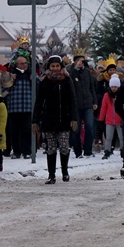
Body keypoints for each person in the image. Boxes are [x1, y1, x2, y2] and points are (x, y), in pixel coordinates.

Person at [32, 56, 79, 185]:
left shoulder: (67, 80)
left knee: (64, 147)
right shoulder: (44, 81)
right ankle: (51, 175)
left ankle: (65, 172)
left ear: (61, 67)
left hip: (64, 118)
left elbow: (72, 100)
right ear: (49, 67)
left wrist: (74, 118)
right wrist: (35, 120)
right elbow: (39, 102)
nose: (55, 69)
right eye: (53, 66)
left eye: (57, 66)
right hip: (49, 119)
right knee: (51, 148)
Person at [68, 49, 97, 158]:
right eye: (79, 61)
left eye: (83, 61)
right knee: (76, 129)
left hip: (88, 104)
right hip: (76, 106)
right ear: (75, 62)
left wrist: (94, 101)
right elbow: (69, 82)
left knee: (89, 126)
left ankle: (88, 150)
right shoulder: (71, 72)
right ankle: (78, 151)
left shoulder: (86, 72)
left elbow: (91, 87)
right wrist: (76, 68)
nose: (82, 63)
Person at [6, 55, 37, 159]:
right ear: (17, 64)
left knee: (27, 130)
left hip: (28, 107)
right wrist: (11, 80)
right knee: (14, 131)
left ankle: (27, 151)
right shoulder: (11, 75)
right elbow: (5, 89)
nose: (24, 65)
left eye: (25, 63)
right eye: (22, 63)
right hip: (14, 108)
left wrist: (34, 79)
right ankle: (16, 151)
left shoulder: (31, 74)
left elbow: (39, 87)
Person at [98, 74, 123, 160]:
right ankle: (107, 150)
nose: (114, 88)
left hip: (120, 120)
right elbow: (103, 108)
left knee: (121, 137)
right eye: (112, 86)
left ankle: (123, 151)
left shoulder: (121, 95)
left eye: (115, 86)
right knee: (108, 137)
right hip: (109, 120)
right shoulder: (106, 95)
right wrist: (101, 119)